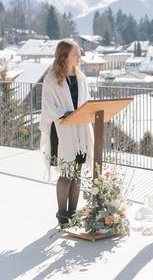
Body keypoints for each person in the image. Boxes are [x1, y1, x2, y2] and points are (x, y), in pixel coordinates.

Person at [40, 39, 93, 228]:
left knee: (77, 173)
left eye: (79, 53)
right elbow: (48, 106)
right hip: (61, 131)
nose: (79, 56)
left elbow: (86, 101)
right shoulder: (52, 78)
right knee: (66, 173)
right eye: (76, 53)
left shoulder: (81, 77)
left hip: (79, 129)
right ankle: (62, 214)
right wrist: (65, 114)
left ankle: (74, 213)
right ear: (65, 56)